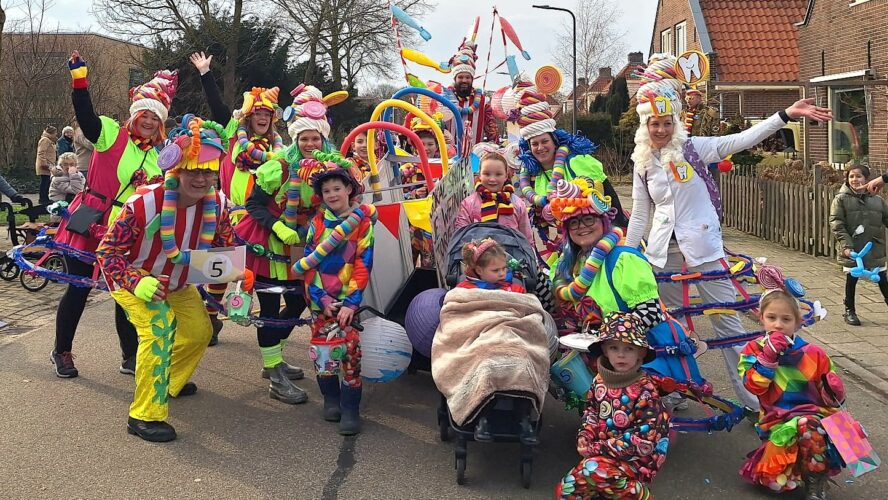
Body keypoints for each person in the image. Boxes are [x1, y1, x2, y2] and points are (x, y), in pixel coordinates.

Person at [624, 53, 833, 410]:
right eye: (653, 124)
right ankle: (678, 391)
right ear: (644, 126)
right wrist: (628, 255)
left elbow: (742, 139)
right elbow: (642, 213)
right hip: (663, 257)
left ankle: (754, 403)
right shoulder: (642, 161)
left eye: (665, 122)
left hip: (705, 253)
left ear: (675, 121)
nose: (660, 130)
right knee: (671, 331)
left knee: (729, 327)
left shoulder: (695, 149)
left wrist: (784, 115)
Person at [96, 116, 242, 443]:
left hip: (178, 280)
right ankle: (143, 415)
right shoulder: (144, 203)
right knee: (160, 328)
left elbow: (224, 245)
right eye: (193, 170)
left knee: (200, 331)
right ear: (175, 170)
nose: (201, 179)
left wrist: (237, 267)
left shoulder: (217, 205)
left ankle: (167, 381)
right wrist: (136, 281)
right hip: (137, 278)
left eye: (208, 171)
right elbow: (107, 253)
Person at [50, 50, 174, 378]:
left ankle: (130, 357)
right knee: (78, 289)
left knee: (125, 293)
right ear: (136, 114)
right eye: (145, 114)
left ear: (161, 123)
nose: (149, 122)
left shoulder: (159, 157)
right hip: (92, 221)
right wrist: (80, 83)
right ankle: (62, 351)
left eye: (155, 118)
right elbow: (87, 117)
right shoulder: (111, 135)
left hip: (127, 232)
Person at [234, 84, 347, 404]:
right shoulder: (278, 165)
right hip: (268, 241)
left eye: (315, 138)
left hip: (304, 244)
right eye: (304, 138)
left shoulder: (330, 167)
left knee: (299, 300)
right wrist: (279, 228)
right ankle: (274, 372)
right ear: (296, 138)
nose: (310, 143)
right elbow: (253, 204)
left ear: (324, 139)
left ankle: (275, 358)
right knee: (270, 308)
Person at [190, 51, 285, 345]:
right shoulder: (233, 137)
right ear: (248, 117)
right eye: (257, 114)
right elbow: (219, 108)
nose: (262, 118)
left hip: (266, 223)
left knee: (266, 282)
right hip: (234, 218)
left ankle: (272, 348)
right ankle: (209, 317)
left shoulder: (280, 149)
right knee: (219, 271)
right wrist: (206, 73)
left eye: (267, 115)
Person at [292, 154, 375, 435]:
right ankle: (330, 398)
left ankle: (351, 407)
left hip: (348, 301)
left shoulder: (362, 222)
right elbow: (308, 266)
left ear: (349, 189)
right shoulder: (316, 224)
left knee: (350, 354)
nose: (332, 195)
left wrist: (351, 302)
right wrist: (322, 301)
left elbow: (363, 263)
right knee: (323, 355)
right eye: (326, 191)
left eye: (337, 189)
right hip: (321, 302)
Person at [738, 283, 846, 498]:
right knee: (774, 481)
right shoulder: (753, 350)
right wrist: (767, 358)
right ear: (761, 318)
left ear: (797, 322)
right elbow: (753, 386)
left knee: (809, 426)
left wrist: (834, 390)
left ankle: (816, 481)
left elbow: (831, 400)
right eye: (771, 318)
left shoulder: (814, 353)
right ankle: (792, 466)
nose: (778, 325)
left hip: (813, 415)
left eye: (786, 319)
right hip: (776, 418)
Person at [556, 311, 670, 500]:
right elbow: (591, 411)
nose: (621, 355)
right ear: (605, 350)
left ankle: (639, 494)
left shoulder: (646, 391)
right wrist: (586, 434)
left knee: (592, 470)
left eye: (629, 349)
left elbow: (642, 441)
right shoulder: (599, 381)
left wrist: (596, 448)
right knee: (565, 492)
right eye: (614, 348)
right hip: (603, 453)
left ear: (641, 353)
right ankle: (609, 487)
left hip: (636, 459)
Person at [510, 77, 629, 236]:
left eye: (544, 141)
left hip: (602, 232)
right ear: (529, 148)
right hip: (571, 239)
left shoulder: (577, 162)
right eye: (534, 144)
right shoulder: (534, 176)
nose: (540, 148)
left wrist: (619, 229)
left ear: (554, 142)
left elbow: (608, 195)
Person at [829, 164, 888, 325]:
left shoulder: (878, 200)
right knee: (852, 279)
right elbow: (837, 223)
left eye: (859, 176)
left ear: (867, 179)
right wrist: (846, 246)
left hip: (874, 247)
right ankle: (849, 311)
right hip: (854, 249)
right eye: (851, 177)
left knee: (882, 279)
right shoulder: (840, 199)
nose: (855, 179)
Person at [454, 146, 533, 241]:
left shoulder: (517, 204)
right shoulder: (468, 204)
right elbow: (461, 236)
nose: (492, 179)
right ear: (479, 175)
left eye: (498, 174)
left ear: (506, 176)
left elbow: (527, 238)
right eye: (487, 174)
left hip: (512, 254)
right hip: (478, 254)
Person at [444, 37, 497, 146]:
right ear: (455, 79)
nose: (464, 80)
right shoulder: (444, 98)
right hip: (448, 154)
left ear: (472, 79)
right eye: (461, 77)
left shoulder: (483, 101)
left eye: (468, 77)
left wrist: (494, 145)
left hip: (475, 154)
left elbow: (491, 127)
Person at [455, 238, 526, 293]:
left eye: (504, 268)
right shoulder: (463, 291)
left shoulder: (516, 290)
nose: (502, 274)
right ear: (479, 270)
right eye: (496, 270)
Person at [35, 125, 58, 204]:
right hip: (45, 165)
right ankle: (43, 199)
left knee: (47, 181)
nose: (56, 134)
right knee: (45, 181)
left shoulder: (49, 140)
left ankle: (45, 198)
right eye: (55, 133)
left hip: (49, 164)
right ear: (51, 133)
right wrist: (44, 164)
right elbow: (41, 153)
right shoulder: (45, 140)